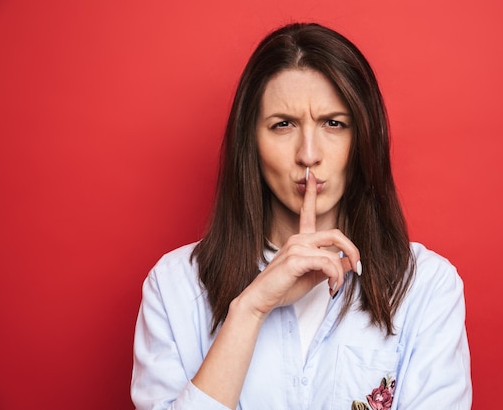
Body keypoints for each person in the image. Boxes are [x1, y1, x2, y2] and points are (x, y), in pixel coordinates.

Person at [131, 22, 472, 410]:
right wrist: (250, 309)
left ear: (362, 140)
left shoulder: (426, 286)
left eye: (333, 124)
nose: (308, 154)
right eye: (283, 125)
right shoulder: (174, 286)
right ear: (251, 144)